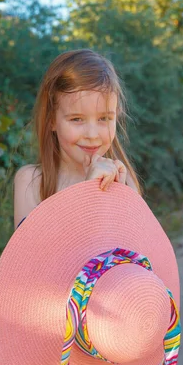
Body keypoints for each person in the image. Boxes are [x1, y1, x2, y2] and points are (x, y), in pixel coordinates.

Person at [13, 48, 142, 230]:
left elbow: (132, 252)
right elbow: (32, 254)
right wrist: (87, 195)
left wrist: (117, 200)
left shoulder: (125, 181)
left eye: (104, 118)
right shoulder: (31, 182)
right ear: (51, 120)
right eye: (76, 119)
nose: (92, 134)